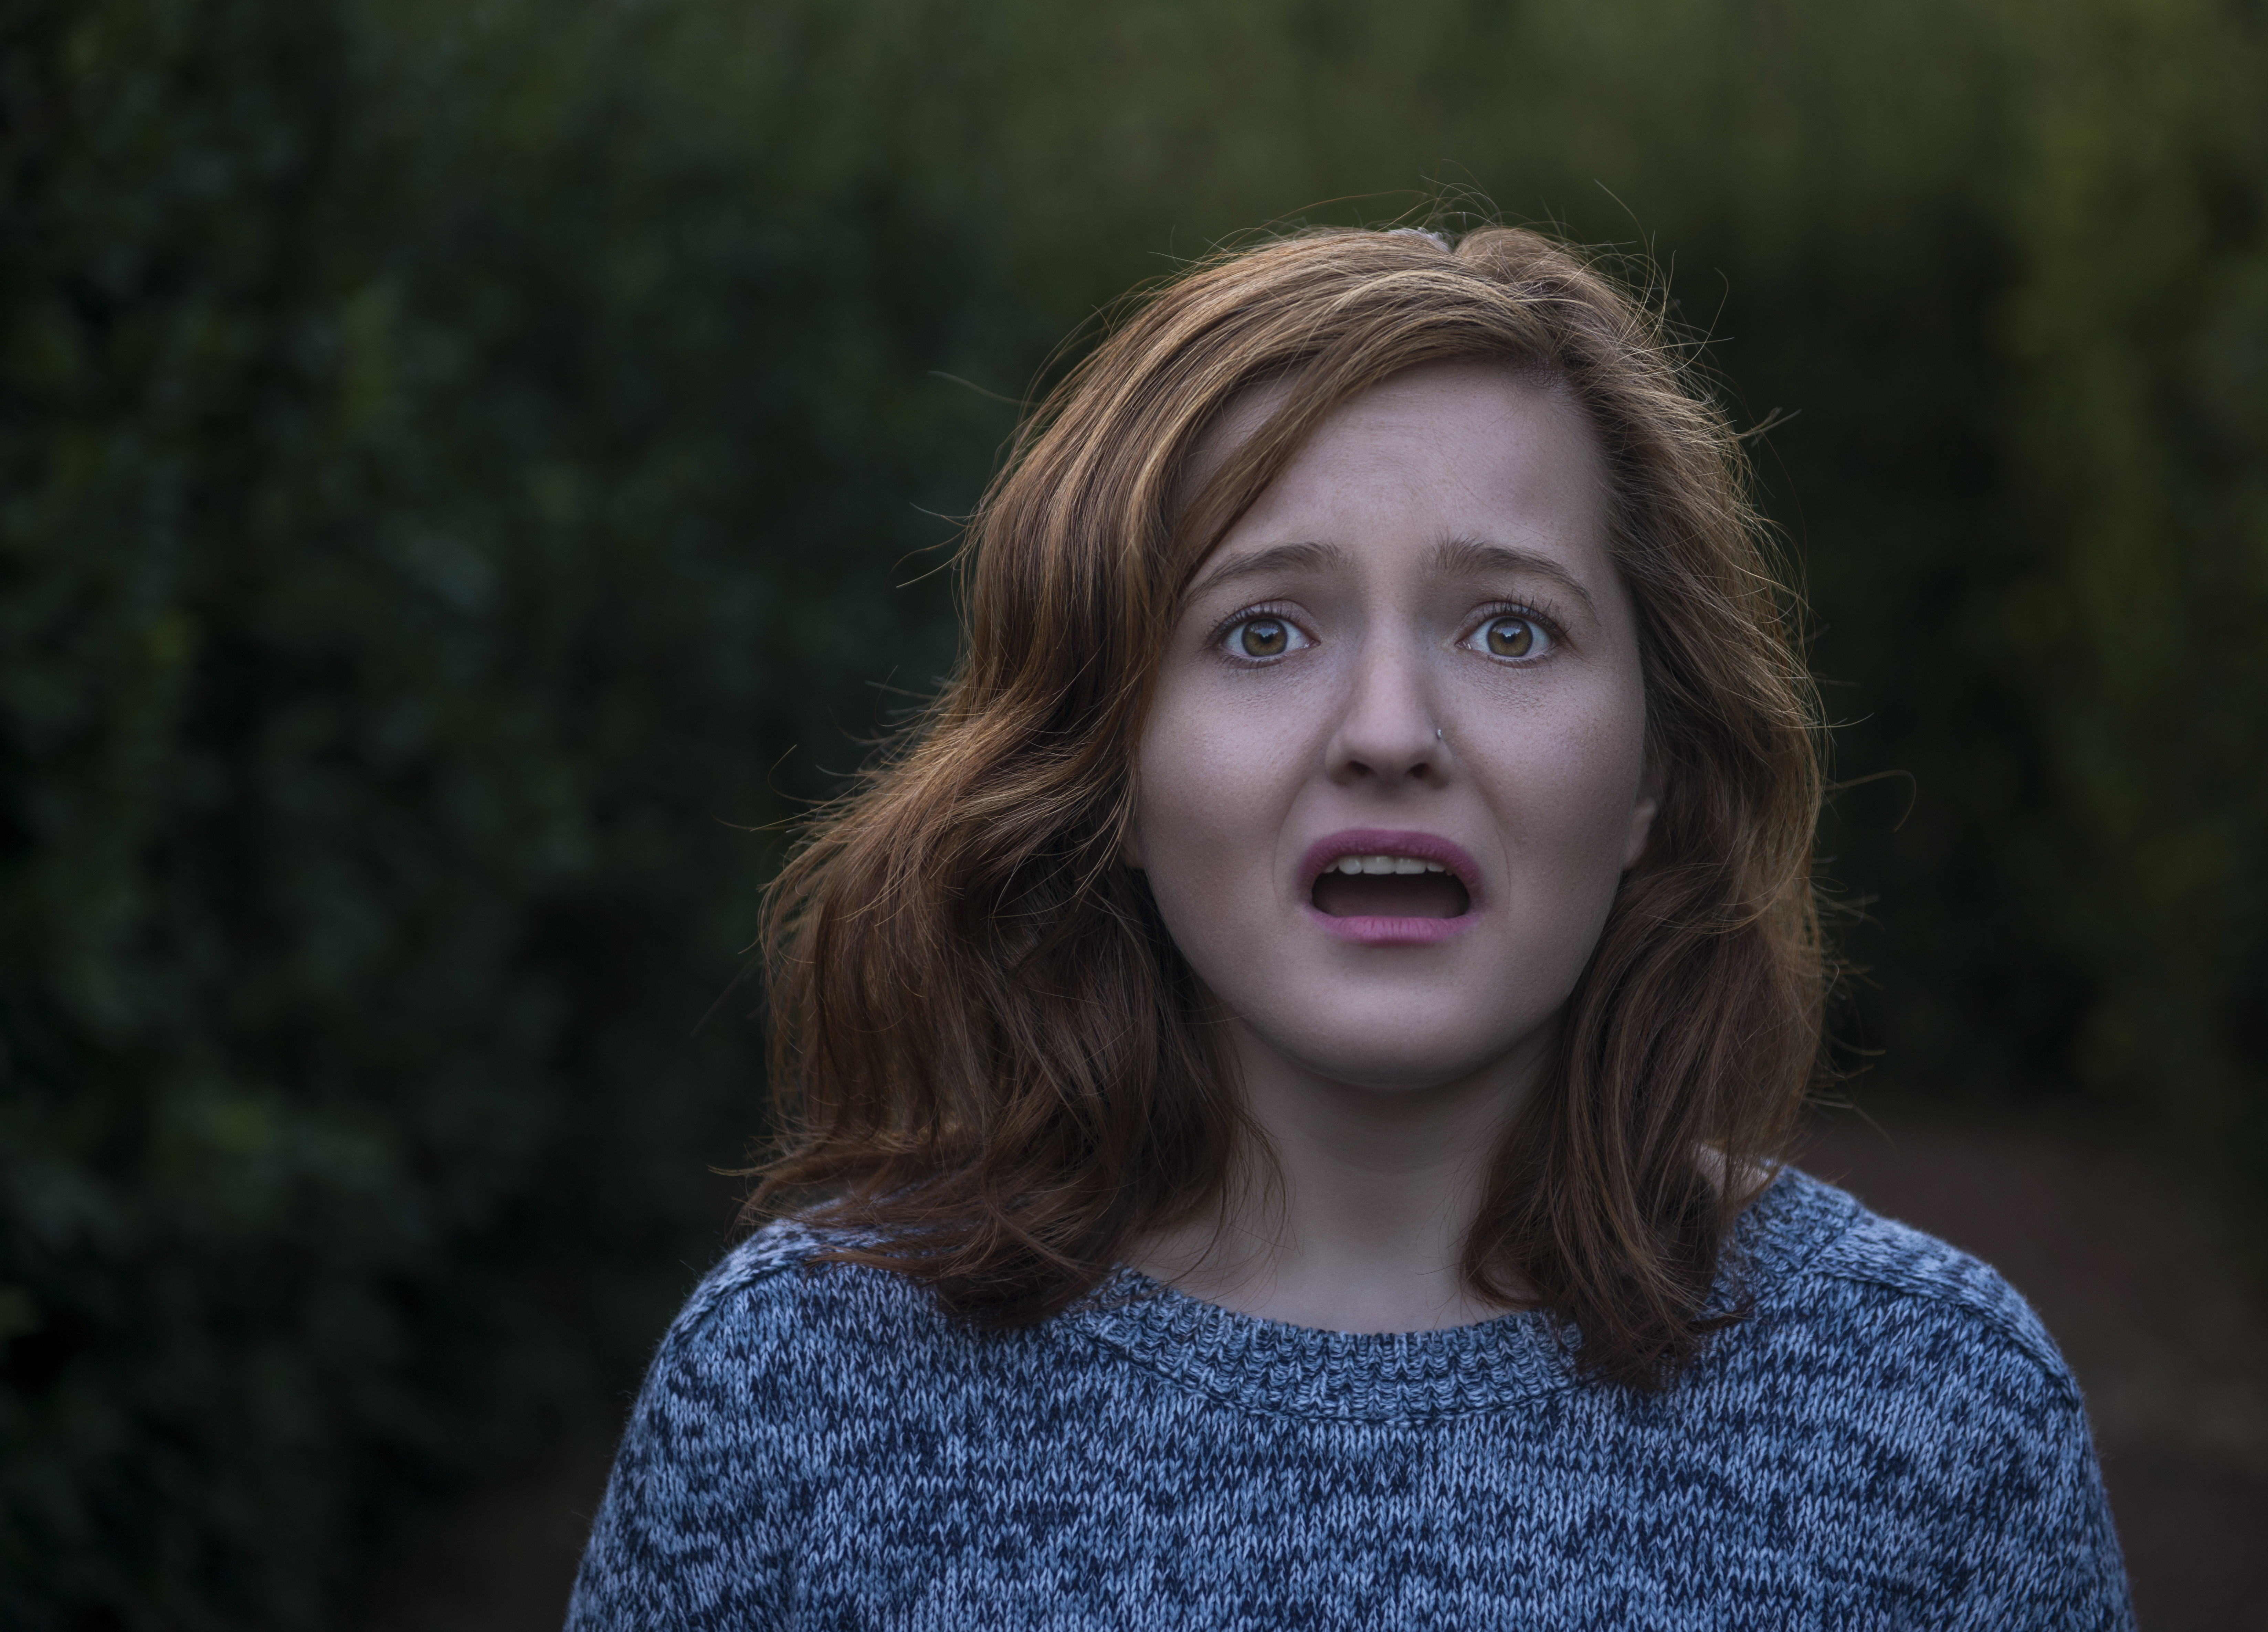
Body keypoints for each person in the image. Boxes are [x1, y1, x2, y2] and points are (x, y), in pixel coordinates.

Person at [566, 224, 2134, 1628]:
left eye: (1510, 627)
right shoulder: (798, 1388)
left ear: (1657, 766)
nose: (1390, 729)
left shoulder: (1935, 1411)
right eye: (1262, 628)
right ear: (1108, 753)